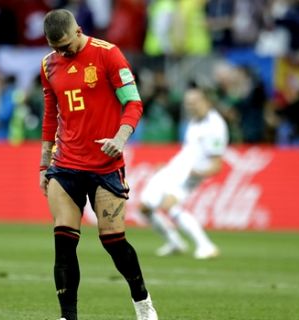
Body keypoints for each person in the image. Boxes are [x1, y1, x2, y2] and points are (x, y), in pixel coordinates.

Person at [38, 9, 158, 320]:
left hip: (105, 165)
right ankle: (68, 316)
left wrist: (120, 138)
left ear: (78, 30)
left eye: (67, 45)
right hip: (65, 165)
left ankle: (142, 302)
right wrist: (43, 164)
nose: (63, 52)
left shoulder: (108, 54)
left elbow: (133, 102)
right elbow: (51, 114)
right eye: (56, 48)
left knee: (113, 241)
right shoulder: (48, 65)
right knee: (63, 241)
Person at [139, 86, 228, 260]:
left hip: (190, 175)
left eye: (195, 102)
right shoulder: (194, 121)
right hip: (175, 168)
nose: (191, 106)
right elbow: (189, 151)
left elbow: (217, 165)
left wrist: (197, 173)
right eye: (188, 103)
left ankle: (206, 246)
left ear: (206, 101)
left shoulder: (216, 126)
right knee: (144, 208)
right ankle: (175, 242)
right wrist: (169, 167)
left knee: (169, 205)